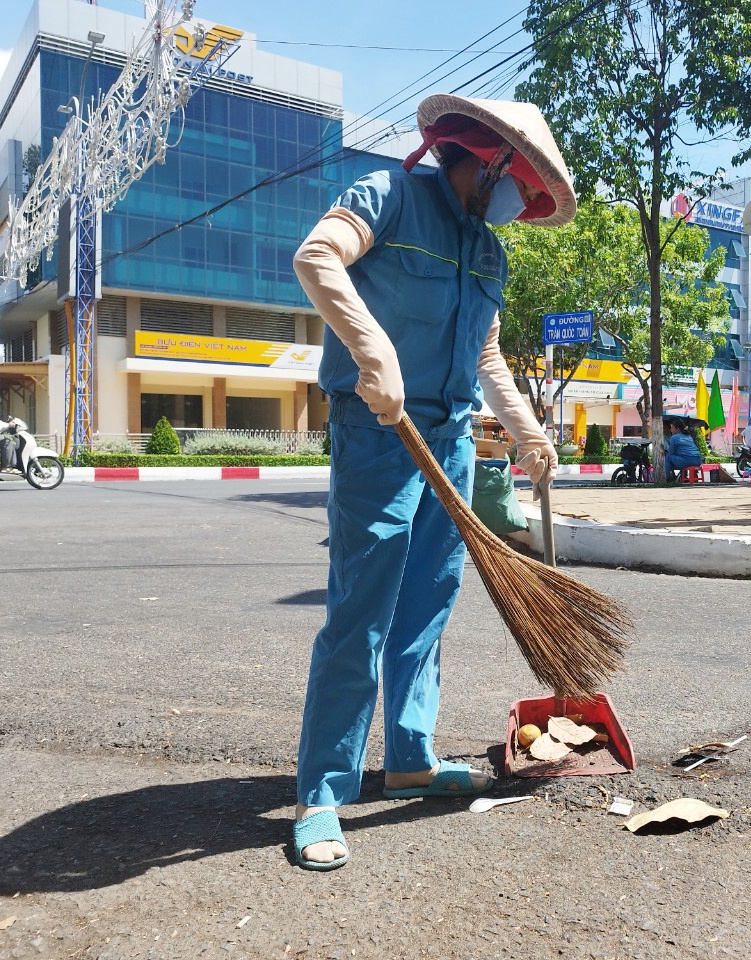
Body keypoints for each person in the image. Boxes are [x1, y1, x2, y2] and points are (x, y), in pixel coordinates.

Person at [289, 94, 576, 871]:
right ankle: (322, 790)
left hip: (449, 439)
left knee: (426, 605)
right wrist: (371, 350)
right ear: (488, 164)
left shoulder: (488, 252)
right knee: (363, 610)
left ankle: (410, 756)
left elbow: (485, 355)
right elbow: (317, 257)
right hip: (377, 428)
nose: (523, 205)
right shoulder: (386, 198)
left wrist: (526, 430)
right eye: (521, 185)